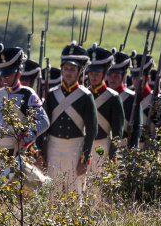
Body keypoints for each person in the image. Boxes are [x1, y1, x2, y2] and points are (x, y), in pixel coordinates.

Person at [0, 45, 49, 181]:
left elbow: (44, 121)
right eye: (3, 76)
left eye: (9, 75)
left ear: (18, 74)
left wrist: (28, 136)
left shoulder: (28, 93)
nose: (5, 79)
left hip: (17, 154)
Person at [43, 42, 98, 195]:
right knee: (52, 193)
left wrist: (85, 158)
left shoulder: (86, 96)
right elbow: (44, 126)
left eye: (72, 69)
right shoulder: (52, 94)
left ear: (79, 71)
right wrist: (42, 153)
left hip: (75, 148)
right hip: (54, 147)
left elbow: (92, 130)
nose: (68, 73)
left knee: (75, 194)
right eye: (66, 68)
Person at [85, 46, 123, 199]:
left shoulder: (113, 97)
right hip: (84, 145)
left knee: (99, 181)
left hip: (101, 147)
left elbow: (117, 131)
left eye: (97, 74)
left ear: (104, 74)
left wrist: (113, 154)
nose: (93, 77)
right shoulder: (83, 94)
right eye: (91, 73)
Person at [105, 49, 135, 154]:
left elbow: (136, 128)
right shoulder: (102, 95)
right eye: (110, 76)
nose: (112, 80)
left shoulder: (131, 98)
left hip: (123, 146)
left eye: (116, 76)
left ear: (124, 77)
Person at [127, 53, 155, 149]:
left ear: (148, 79)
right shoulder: (130, 98)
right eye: (134, 78)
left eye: (139, 79)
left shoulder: (155, 100)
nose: (136, 82)